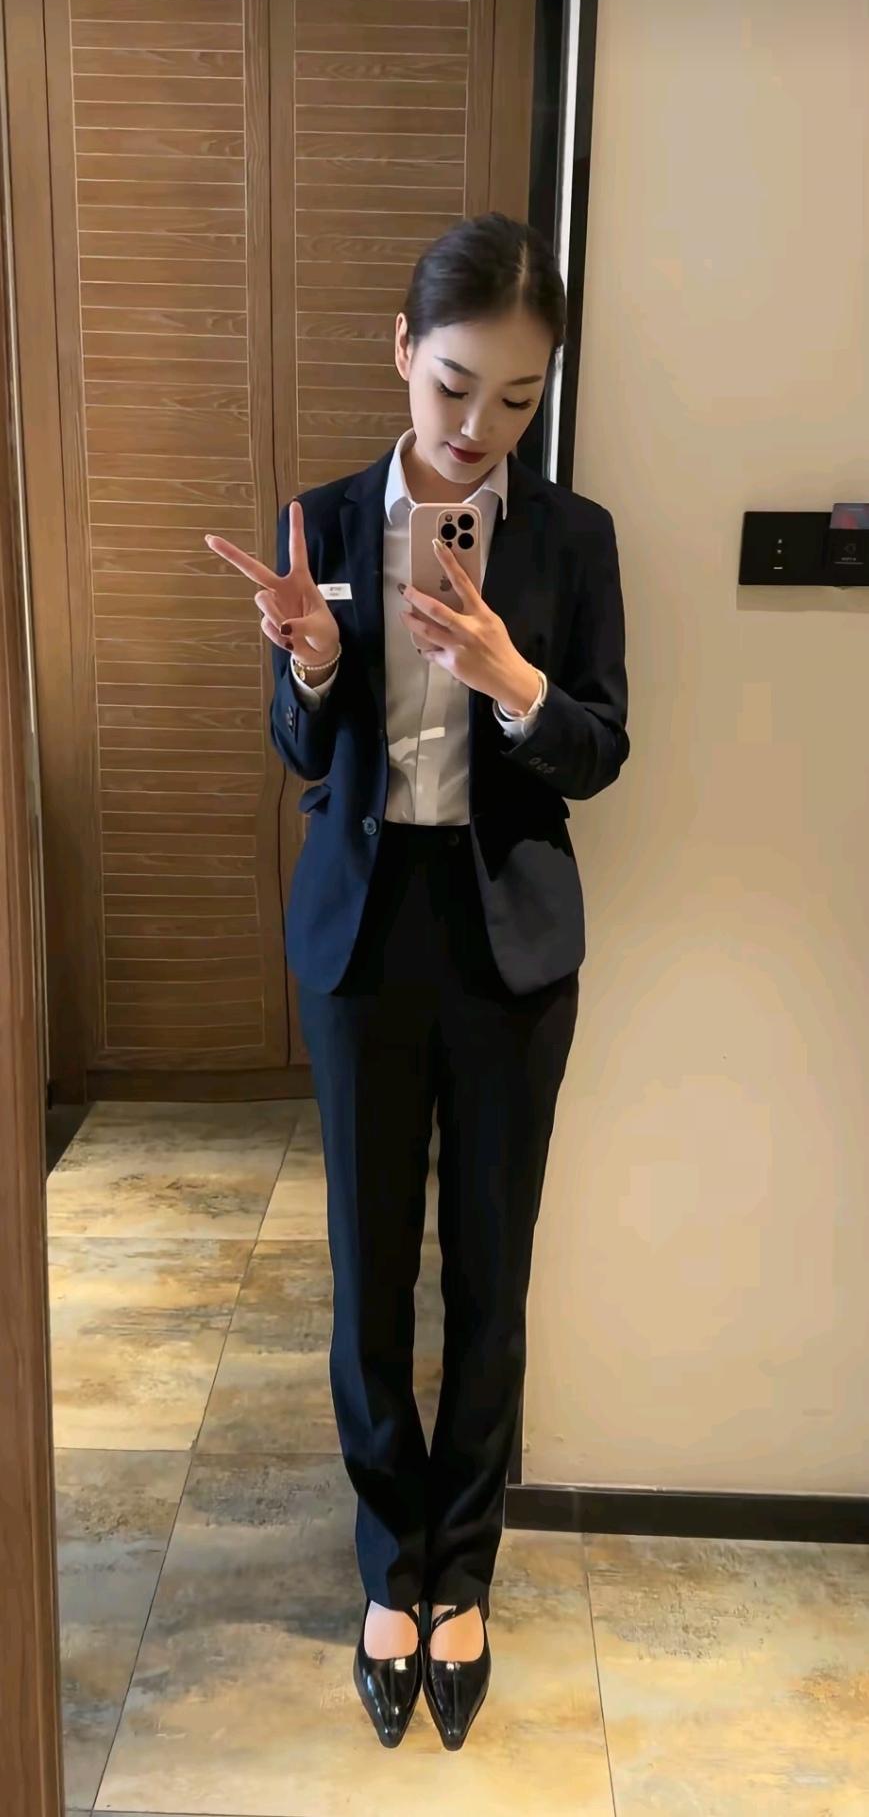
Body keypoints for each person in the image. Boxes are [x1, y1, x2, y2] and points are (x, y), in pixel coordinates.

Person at [205, 211, 630, 1752]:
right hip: (364, 942)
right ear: (400, 351)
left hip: (510, 945)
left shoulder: (570, 537)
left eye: (516, 398)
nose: (475, 428)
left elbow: (601, 747)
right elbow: (300, 749)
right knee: (368, 1269)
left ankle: (466, 1573)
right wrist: (313, 658)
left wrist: (513, 681)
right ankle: (391, 1567)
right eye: (453, 386)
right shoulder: (322, 517)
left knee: (491, 1276)